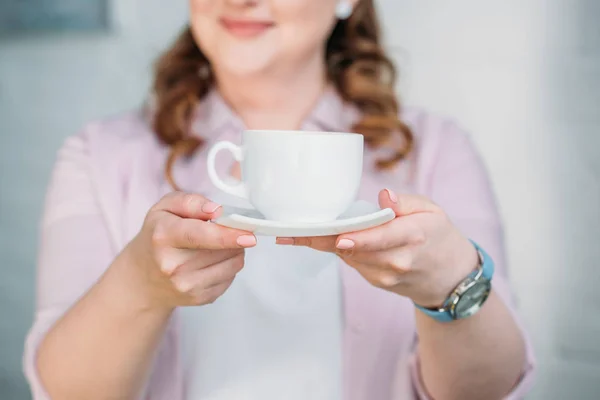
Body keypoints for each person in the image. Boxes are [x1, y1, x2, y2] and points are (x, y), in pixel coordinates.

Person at [23, 1, 535, 399]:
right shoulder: (98, 156)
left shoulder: (438, 151)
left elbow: (487, 390)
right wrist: (138, 286)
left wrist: (450, 283)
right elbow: (66, 392)